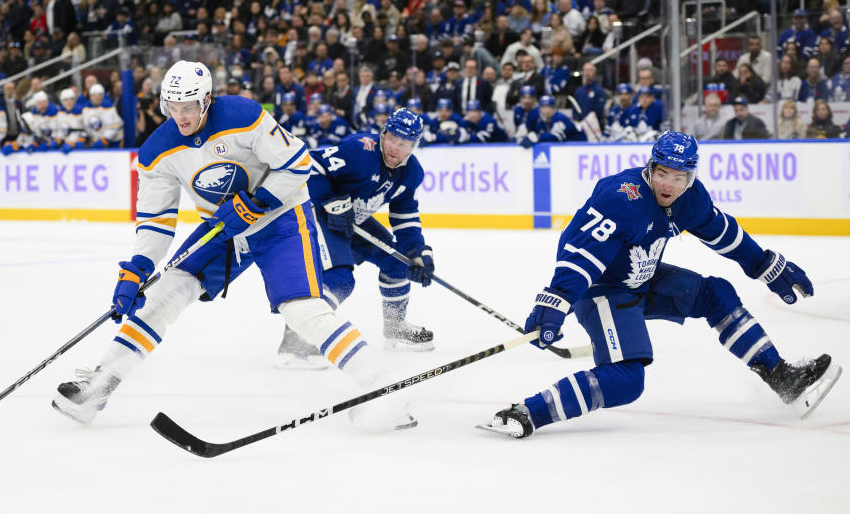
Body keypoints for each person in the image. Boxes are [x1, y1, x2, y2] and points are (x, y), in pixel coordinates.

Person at [52, 61, 415, 431]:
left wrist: (257, 203)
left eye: (189, 107)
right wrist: (139, 267)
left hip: (282, 218)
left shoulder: (244, 114)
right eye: (172, 108)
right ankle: (99, 386)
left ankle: (383, 387)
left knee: (302, 310)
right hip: (224, 226)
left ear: (206, 100)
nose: (181, 116)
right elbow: (156, 219)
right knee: (163, 293)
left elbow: (297, 165)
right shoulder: (157, 150)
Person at [480, 131, 841, 439]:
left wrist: (764, 264)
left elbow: (723, 232)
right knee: (626, 381)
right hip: (602, 290)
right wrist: (558, 298)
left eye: (679, 177)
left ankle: (781, 377)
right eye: (662, 173)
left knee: (718, 294)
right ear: (650, 167)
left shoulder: (691, 198)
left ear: (691, 178)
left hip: (643, 279)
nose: (669, 184)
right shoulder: (621, 198)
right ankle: (528, 412)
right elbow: (581, 254)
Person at [276, 107, 436, 368]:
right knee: (340, 279)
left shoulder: (411, 173)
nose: (395, 147)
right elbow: (310, 165)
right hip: (318, 216)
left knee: (399, 264)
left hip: (353, 222)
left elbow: (405, 218)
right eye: (392, 138)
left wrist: (418, 252)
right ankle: (298, 340)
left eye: (404, 143)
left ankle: (395, 327)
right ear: (384, 134)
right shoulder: (359, 149)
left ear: (414, 146)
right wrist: (330, 201)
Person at [520, 95, 585, 147]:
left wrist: (538, 137)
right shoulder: (542, 120)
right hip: (569, 148)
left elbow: (555, 137)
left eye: (549, 107)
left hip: (581, 147)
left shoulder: (560, 118)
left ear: (554, 108)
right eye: (543, 107)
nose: (546, 110)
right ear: (539, 109)